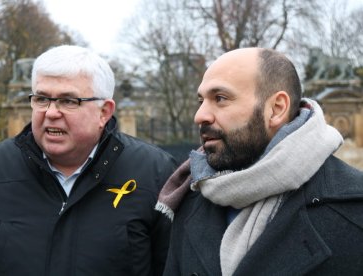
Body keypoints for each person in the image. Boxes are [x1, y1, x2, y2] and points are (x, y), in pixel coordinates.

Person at [0, 45, 177, 275]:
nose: (50, 112)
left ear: (104, 112)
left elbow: (173, 267)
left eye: (68, 101)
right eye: (41, 99)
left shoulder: (155, 171)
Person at [155, 47, 363, 276]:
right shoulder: (190, 197)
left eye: (220, 98)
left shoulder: (353, 208)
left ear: (276, 109)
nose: (200, 115)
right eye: (201, 100)